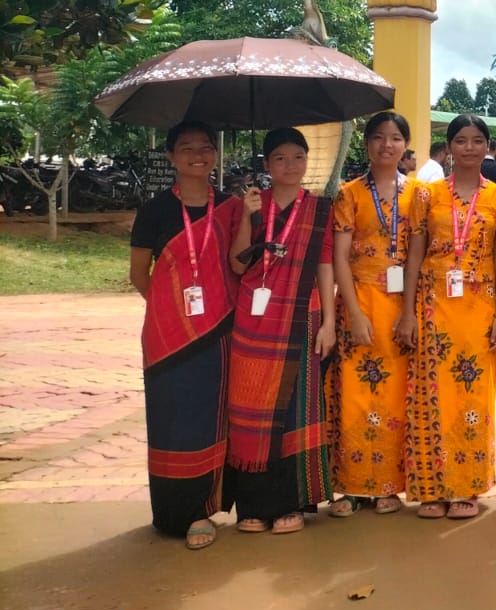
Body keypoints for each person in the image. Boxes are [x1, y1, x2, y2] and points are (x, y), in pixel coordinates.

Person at [129, 120, 244, 550]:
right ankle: (174, 511)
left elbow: (240, 264)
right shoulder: (155, 210)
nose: (198, 154)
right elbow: (139, 273)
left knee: (213, 417)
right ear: (171, 156)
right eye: (187, 147)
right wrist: (171, 313)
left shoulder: (232, 207)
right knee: (172, 420)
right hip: (168, 339)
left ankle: (204, 509)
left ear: (216, 154)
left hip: (220, 331)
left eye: (205, 146)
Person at [397, 114, 496, 520]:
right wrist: (407, 312)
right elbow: (415, 254)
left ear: (487, 147)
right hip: (433, 306)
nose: (469, 148)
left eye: (477, 140)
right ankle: (431, 487)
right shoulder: (426, 195)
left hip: (479, 309)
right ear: (448, 147)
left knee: (473, 397)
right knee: (432, 397)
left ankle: (467, 485)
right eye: (461, 140)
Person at [227, 127, 336, 535]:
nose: (290, 165)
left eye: (297, 157)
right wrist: (247, 216)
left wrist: (329, 322)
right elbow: (238, 263)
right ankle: (253, 505)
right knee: (250, 406)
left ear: (307, 161)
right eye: (280, 158)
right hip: (255, 319)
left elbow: (324, 265)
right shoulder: (255, 203)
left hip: (304, 316)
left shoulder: (320, 208)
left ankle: (291, 503)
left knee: (296, 409)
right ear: (267, 164)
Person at [328, 111, 416, 517]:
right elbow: (340, 257)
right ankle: (350, 485)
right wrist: (353, 311)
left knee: (396, 396)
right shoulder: (349, 194)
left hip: (401, 306)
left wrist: (411, 311)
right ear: (366, 144)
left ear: (405, 145)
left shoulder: (418, 194)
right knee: (355, 395)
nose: (387, 145)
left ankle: (389, 486)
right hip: (360, 300)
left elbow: (419, 255)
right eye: (379, 137)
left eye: (395, 138)